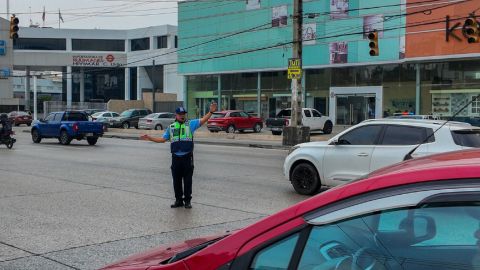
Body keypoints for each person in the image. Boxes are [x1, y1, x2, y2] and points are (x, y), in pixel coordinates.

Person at [139, 103, 218, 209]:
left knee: (188, 180)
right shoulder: (171, 127)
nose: (182, 116)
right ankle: (178, 200)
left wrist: (211, 112)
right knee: (176, 180)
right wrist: (150, 138)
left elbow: (203, 120)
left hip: (187, 157)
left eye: (184, 114)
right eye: (180, 114)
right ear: (175, 116)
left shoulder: (190, 124)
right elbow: (162, 139)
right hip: (175, 158)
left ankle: (187, 201)